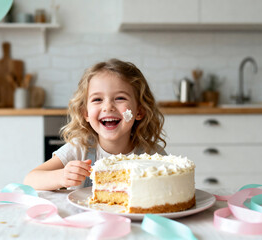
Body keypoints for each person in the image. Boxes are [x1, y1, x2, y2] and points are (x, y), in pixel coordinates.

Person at [24, 59, 166, 190]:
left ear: (139, 112)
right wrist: (61, 177)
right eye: (97, 99)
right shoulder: (80, 149)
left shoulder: (152, 154)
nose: (108, 107)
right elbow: (30, 180)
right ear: (85, 113)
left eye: (120, 98)